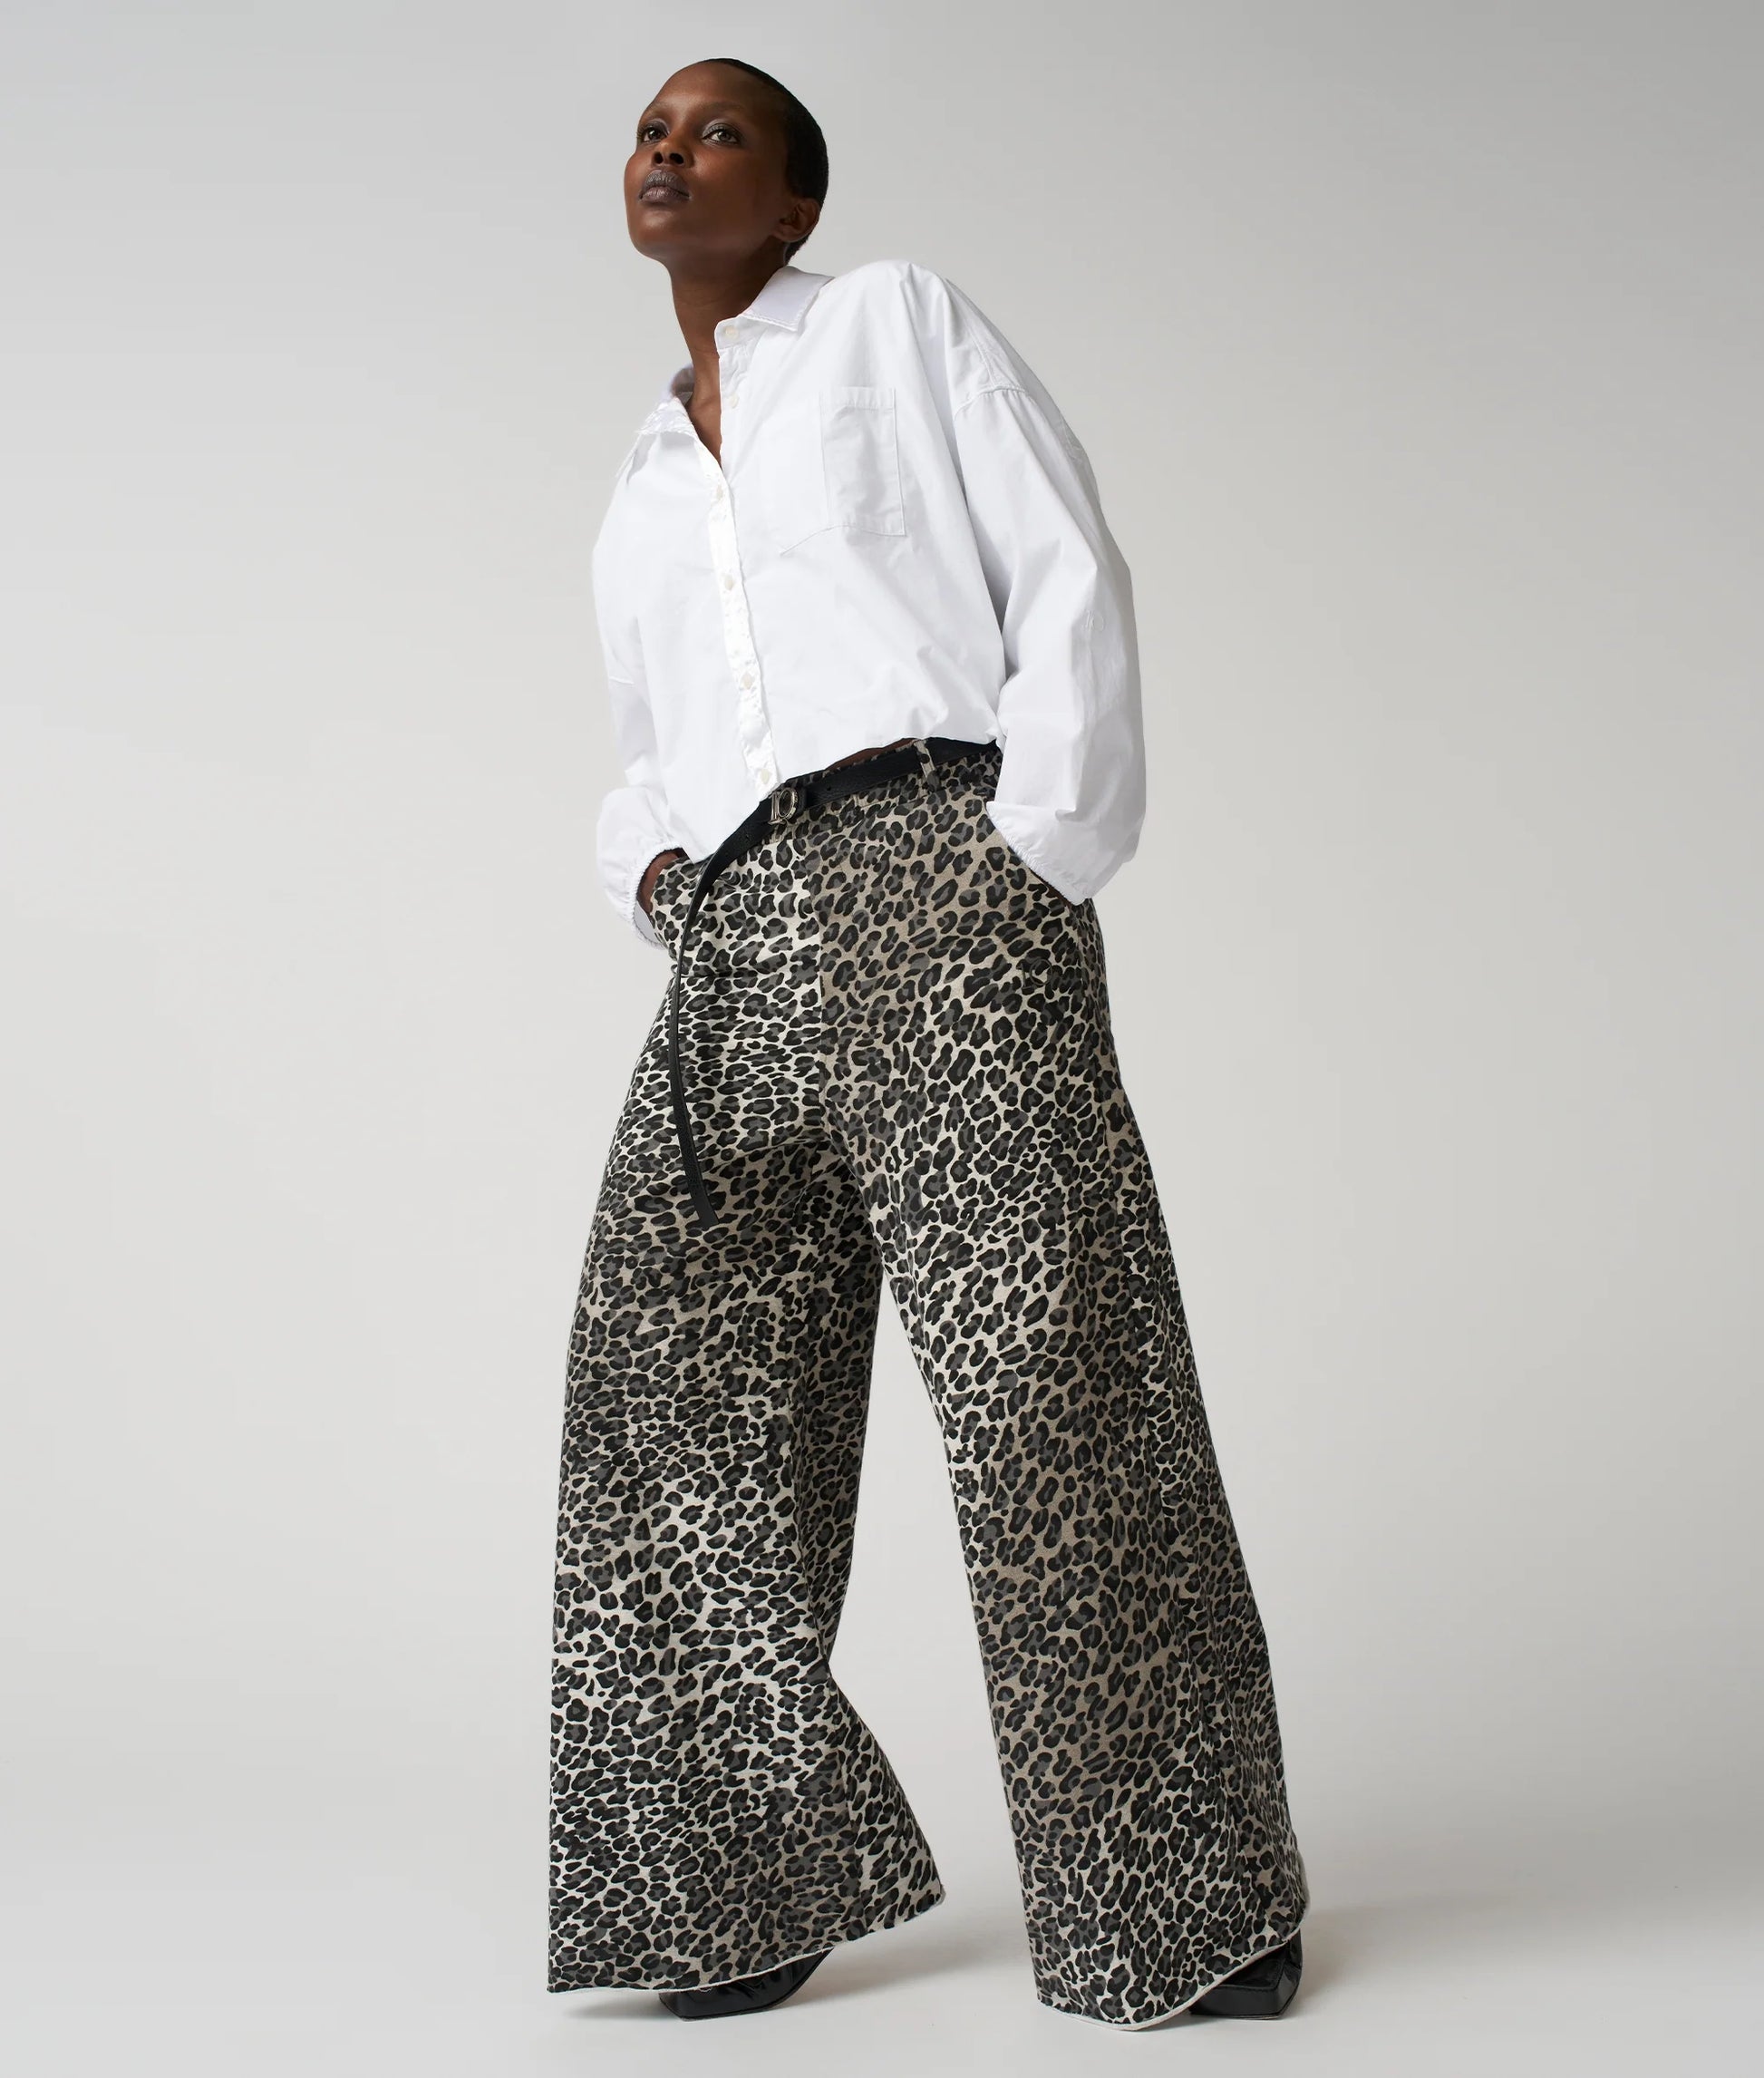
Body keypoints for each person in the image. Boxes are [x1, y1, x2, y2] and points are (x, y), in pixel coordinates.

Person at [548, 55, 1309, 2033]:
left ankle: (1182, 1904)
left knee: (1056, 1387)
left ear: (795, 200)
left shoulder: (891, 322)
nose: (667, 150)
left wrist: (1027, 856)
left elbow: (1064, 566)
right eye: (649, 129)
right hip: (738, 938)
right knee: (669, 1405)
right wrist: (668, 887)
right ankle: (728, 1889)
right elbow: (647, 746)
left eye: (716, 129)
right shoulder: (638, 480)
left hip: (936, 876)